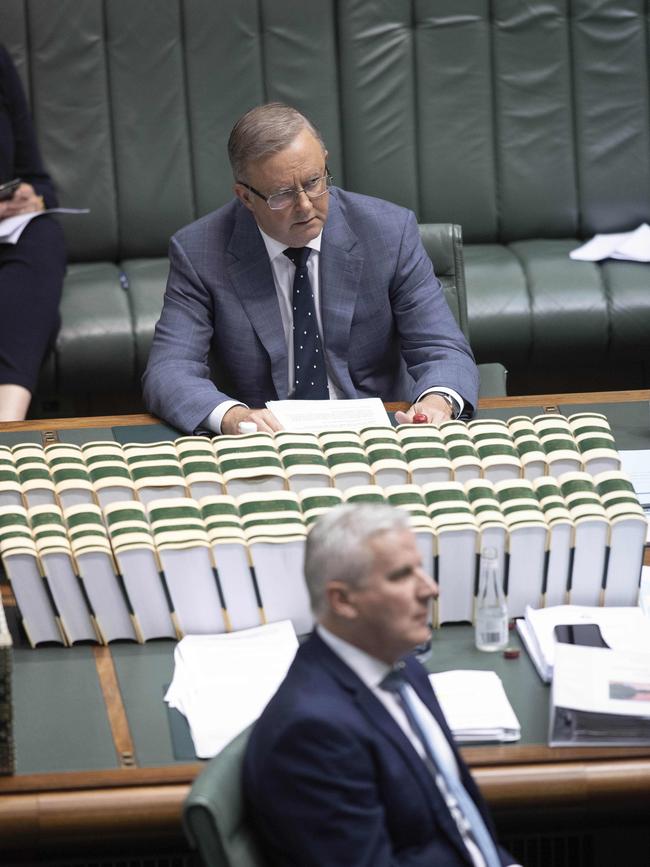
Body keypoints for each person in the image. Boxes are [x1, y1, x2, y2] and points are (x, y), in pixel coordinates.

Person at [143, 103, 479, 434]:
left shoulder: (389, 232)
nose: (305, 205)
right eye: (282, 195)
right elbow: (170, 370)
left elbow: (442, 347)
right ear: (245, 198)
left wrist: (437, 402)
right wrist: (232, 417)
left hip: (379, 433)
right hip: (267, 439)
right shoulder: (200, 252)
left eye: (314, 182)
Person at [244, 504, 520, 867]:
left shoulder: (403, 666)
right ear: (342, 600)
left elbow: (457, 818)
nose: (430, 589)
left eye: (421, 568)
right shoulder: (311, 733)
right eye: (402, 575)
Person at [0, 44, 66, 421]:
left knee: (44, 237)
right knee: (36, 318)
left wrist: (31, 199)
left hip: (7, 233)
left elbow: (39, 180)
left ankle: (6, 428)